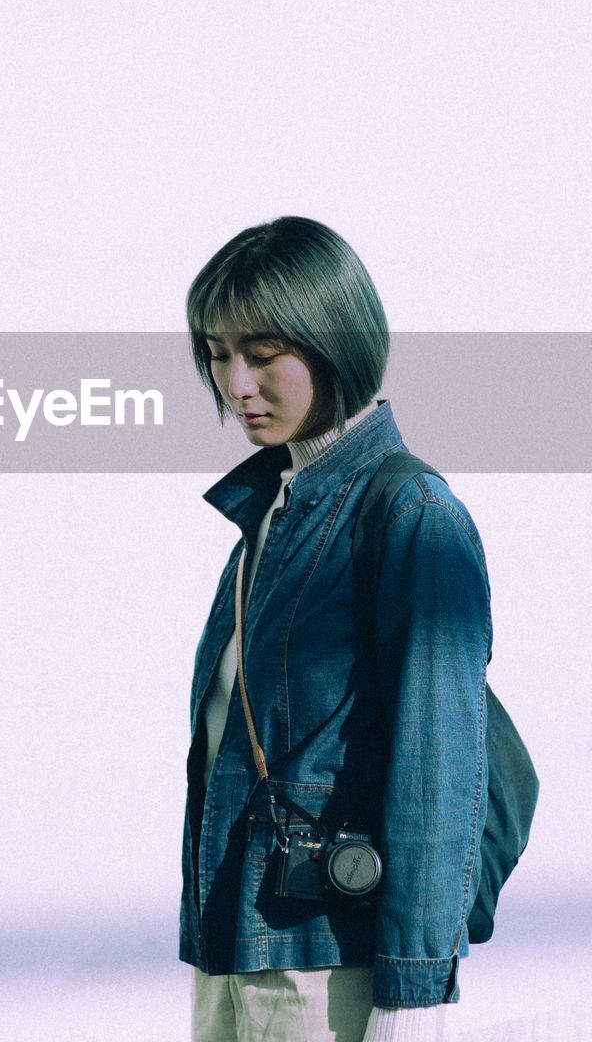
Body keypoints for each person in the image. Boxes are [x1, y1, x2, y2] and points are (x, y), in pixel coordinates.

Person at [180, 218, 490, 1042]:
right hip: (239, 955)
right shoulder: (270, 514)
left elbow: (441, 762)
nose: (235, 381)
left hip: (331, 973)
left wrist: (414, 996)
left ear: (335, 341)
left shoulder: (410, 513)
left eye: (264, 350)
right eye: (215, 352)